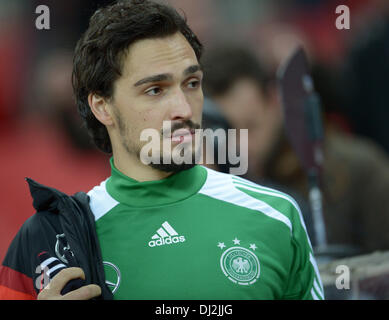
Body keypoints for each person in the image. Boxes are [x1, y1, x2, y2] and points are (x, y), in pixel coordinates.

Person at [0, 0, 323, 300]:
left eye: (192, 83)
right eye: (155, 90)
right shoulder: (48, 242)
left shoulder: (276, 214)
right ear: (102, 107)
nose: (183, 108)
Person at [202, 45, 389, 255]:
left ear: (275, 101)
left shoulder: (358, 171)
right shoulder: (223, 186)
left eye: (250, 127)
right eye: (225, 133)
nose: (240, 146)